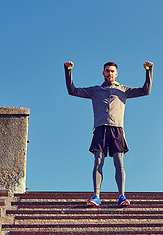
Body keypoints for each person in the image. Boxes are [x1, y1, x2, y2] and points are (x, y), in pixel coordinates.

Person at [64, 61, 153, 206]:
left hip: (117, 129)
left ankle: (122, 196)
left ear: (116, 73)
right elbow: (72, 90)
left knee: (119, 161)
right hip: (99, 129)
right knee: (98, 161)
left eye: (112, 71)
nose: (110, 73)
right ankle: (96, 196)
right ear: (103, 73)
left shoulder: (123, 90)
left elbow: (145, 90)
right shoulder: (95, 90)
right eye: (107, 71)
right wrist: (68, 70)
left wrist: (148, 70)